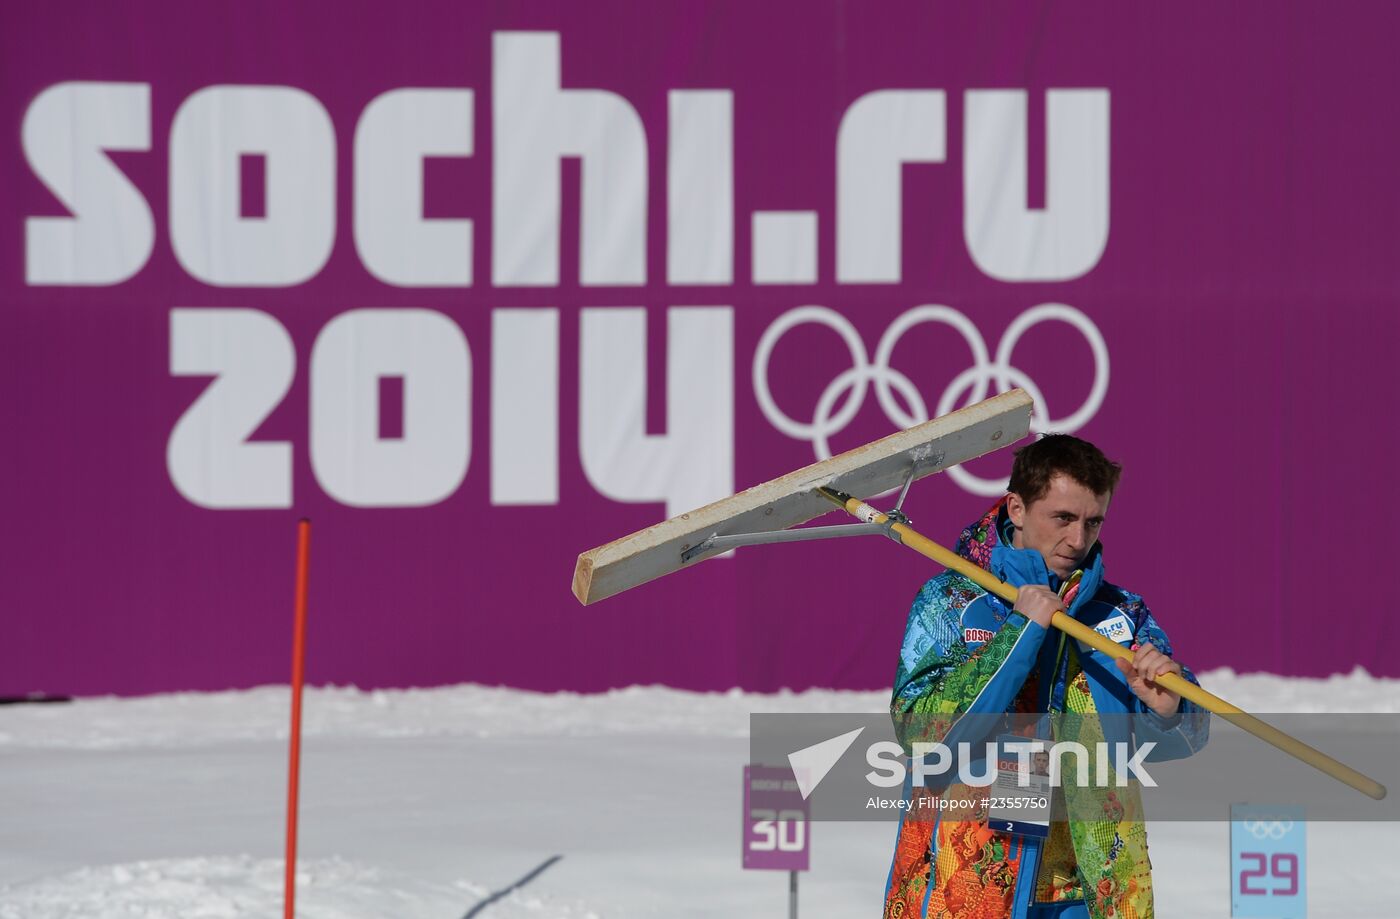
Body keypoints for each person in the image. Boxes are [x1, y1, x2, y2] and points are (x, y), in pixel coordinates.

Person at [882, 434, 1209, 919]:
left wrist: (1168, 710)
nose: (1078, 540)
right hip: (970, 887)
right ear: (1016, 508)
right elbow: (922, 739)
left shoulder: (1119, 615)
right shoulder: (951, 600)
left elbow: (1178, 740)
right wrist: (1019, 633)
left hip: (1094, 890)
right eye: (1062, 518)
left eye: (1092, 521)